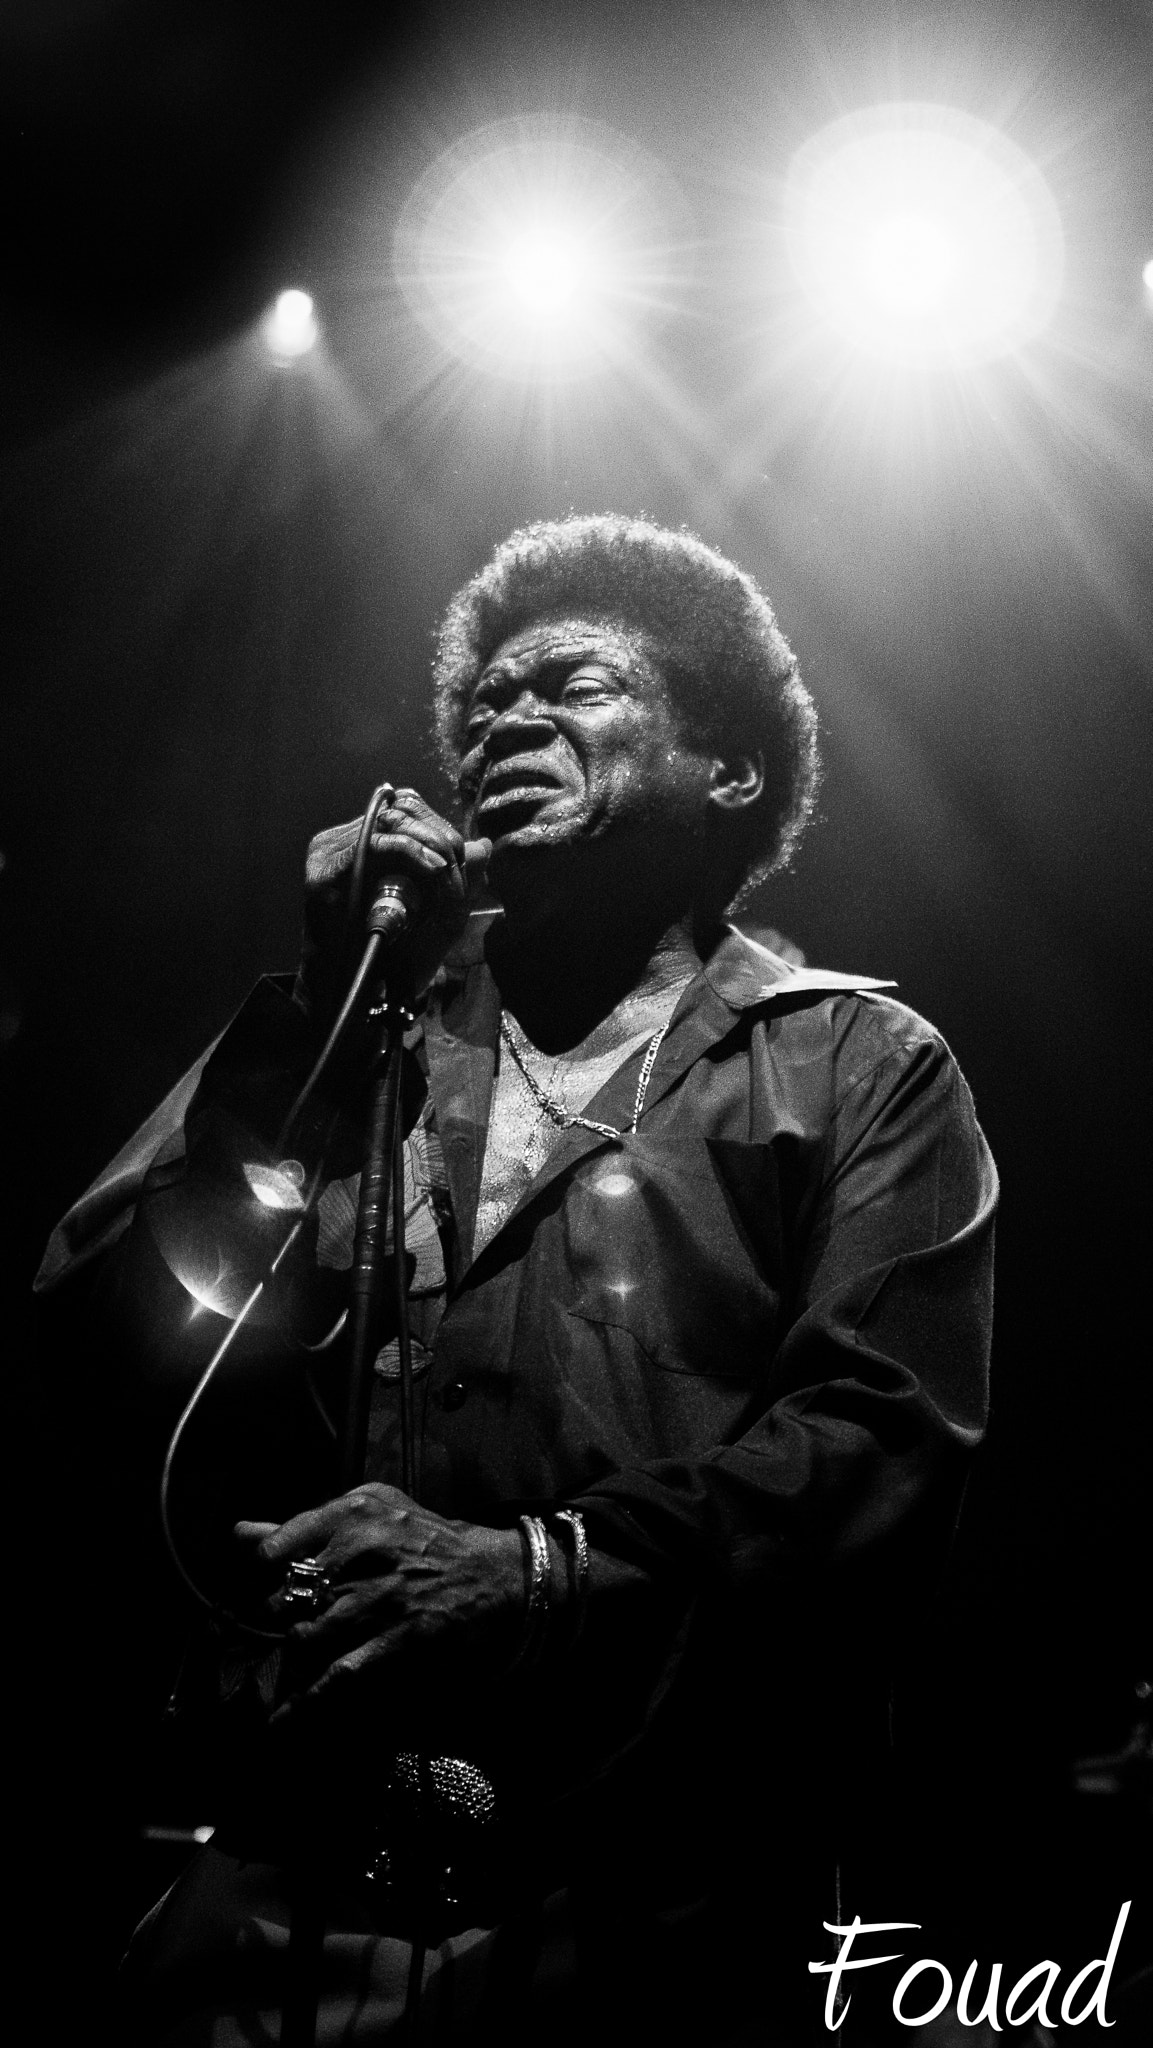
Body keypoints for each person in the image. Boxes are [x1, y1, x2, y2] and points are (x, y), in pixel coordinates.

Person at [38, 514, 997, 2045]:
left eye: (574, 684)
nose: (504, 717)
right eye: (481, 700)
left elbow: (876, 1450)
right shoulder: (364, 1029)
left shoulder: (853, 1065)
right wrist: (307, 1018)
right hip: (316, 1858)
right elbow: (93, 1334)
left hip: (656, 1866)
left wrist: (533, 1568)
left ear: (727, 774)